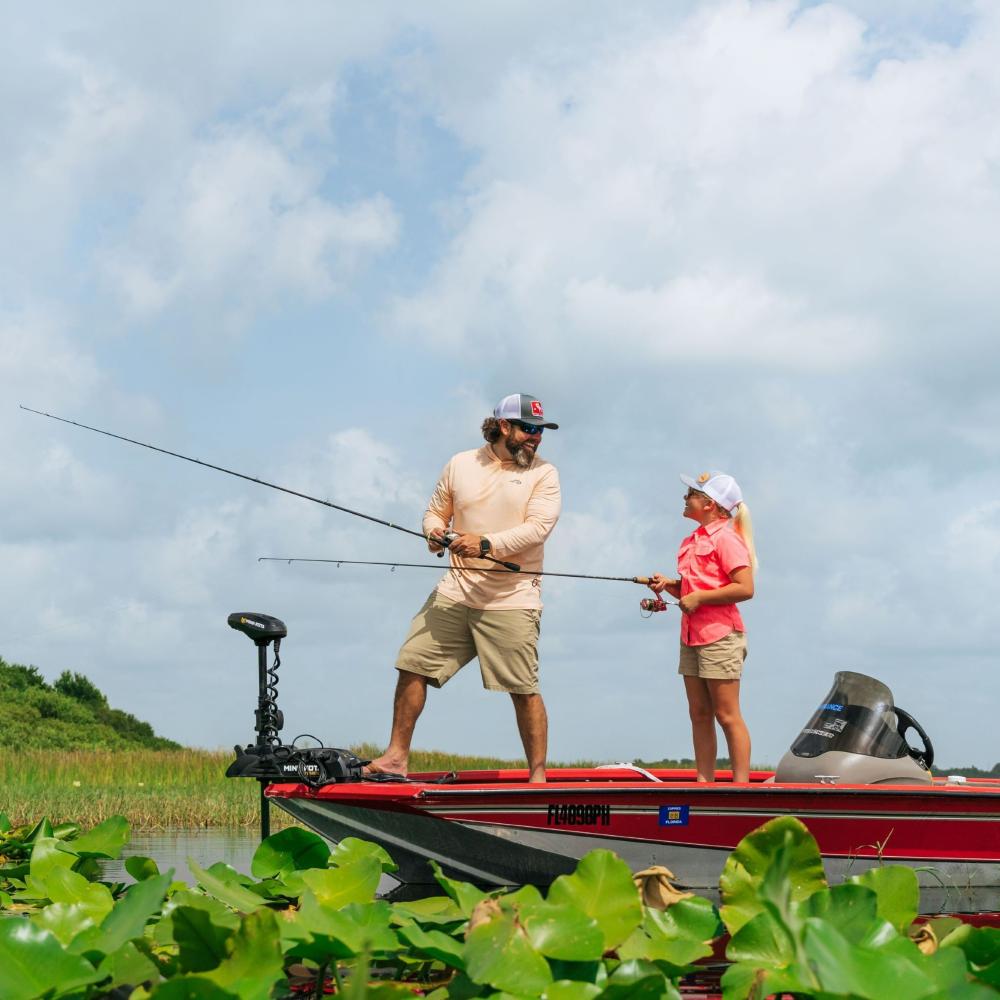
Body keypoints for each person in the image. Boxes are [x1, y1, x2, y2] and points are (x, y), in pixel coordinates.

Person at [366, 393, 562, 783]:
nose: (536, 437)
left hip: (512, 597)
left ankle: (538, 776)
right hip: (455, 590)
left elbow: (537, 529)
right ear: (504, 426)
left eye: (541, 431)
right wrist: (435, 533)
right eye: (529, 429)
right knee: (411, 664)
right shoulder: (460, 464)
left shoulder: (545, 474)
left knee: (523, 688)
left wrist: (485, 544)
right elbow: (434, 513)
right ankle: (395, 758)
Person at [648, 471, 757, 783]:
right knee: (699, 713)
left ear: (710, 504)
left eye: (692, 495)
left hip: (720, 637)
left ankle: (741, 787)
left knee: (726, 714)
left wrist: (699, 598)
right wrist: (671, 586)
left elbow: (745, 587)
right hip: (691, 637)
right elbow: (694, 590)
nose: (685, 499)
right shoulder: (692, 540)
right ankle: (704, 782)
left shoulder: (727, 539)